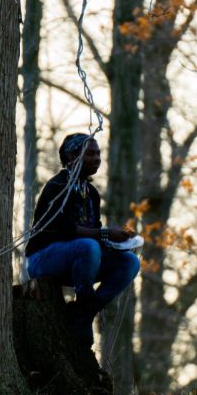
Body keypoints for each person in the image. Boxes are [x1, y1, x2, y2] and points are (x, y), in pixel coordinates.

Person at [25, 133, 141, 344]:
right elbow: (66, 230)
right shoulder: (57, 187)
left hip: (80, 259)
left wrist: (119, 241)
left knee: (129, 262)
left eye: (98, 153)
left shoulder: (91, 193)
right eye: (90, 154)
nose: (97, 158)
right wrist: (106, 233)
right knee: (88, 246)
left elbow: (93, 234)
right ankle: (84, 305)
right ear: (72, 157)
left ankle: (84, 311)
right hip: (42, 260)